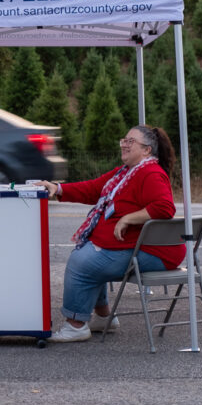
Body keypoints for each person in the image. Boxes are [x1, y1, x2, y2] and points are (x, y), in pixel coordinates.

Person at [38, 124, 179, 343]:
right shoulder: (126, 173)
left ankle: (76, 326)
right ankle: (104, 318)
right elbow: (94, 188)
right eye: (124, 140)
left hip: (154, 252)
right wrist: (59, 188)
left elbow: (164, 207)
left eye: (131, 141)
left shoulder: (150, 173)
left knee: (81, 262)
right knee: (90, 255)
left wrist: (128, 218)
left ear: (147, 150)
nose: (124, 144)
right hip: (137, 247)